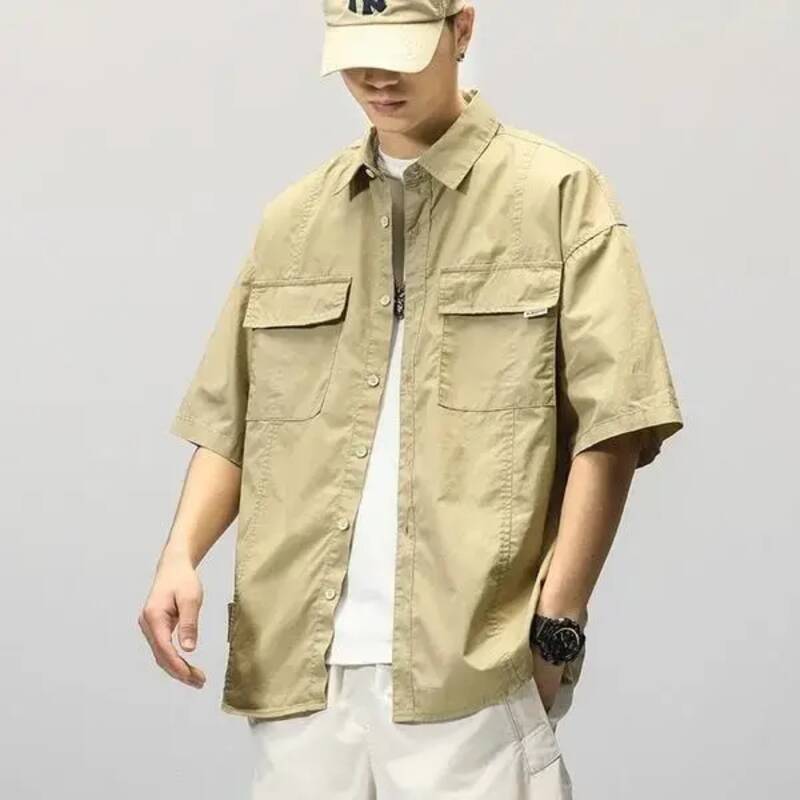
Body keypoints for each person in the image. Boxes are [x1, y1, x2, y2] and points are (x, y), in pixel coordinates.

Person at [138, 1, 685, 797]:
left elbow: (617, 425)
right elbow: (231, 421)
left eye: (400, 50)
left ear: (462, 30)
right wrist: (178, 556)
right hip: (300, 671)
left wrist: (557, 625)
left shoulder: (559, 196)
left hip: (471, 667)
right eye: (357, 55)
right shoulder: (293, 220)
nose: (376, 77)